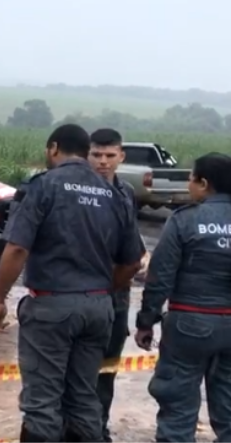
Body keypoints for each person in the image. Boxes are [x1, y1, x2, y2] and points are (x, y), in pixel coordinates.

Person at [0, 123, 143, 442]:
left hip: (51, 307)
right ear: (86, 153)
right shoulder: (114, 194)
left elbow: (17, 248)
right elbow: (133, 261)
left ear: (54, 148)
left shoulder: (43, 186)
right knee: (84, 397)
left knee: (42, 401)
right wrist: (103, 291)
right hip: (99, 308)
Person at [134, 152, 231, 443]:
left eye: (191, 178)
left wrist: (146, 321)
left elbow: (160, 277)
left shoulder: (185, 220)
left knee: (177, 406)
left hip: (190, 324)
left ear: (203, 183)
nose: (189, 184)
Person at [88, 128, 148, 442]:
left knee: (106, 369)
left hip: (116, 293)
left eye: (110, 156)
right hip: (83, 292)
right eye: (96, 155)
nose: (103, 162)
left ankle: (99, 427)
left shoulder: (125, 193)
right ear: (87, 155)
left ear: (121, 157)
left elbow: (133, 249)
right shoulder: (77, 191)